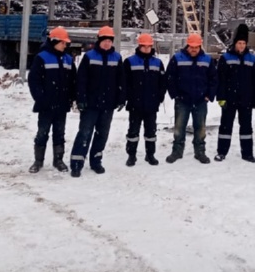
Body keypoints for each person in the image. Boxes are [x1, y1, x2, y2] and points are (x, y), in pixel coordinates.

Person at [69, 26, 125, 177]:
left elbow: (121, 80)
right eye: (104, 40)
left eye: (109, 41)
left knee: (102, 134)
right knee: (84, 133)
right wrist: (81, 99)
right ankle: (76, 163)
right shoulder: (89, 57)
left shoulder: (117, 58)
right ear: (99, 41)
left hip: (108, 104)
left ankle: (96, 161)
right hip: (90, 104)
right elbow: (81, 80)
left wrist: (121, 98)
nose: (107, 43)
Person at [27, 26, 77, 173]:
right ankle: (38, 161)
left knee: (59, 133)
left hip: (62, 105)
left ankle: (58, 160)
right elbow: (34, 80)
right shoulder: (42, 57)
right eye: (63, 42)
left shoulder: (68, 59)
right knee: (42, 133)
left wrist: (72, 97)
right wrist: (41, 99)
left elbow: (73, 81)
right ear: (54, 41)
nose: (65, 45)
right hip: (46, 105)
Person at [165, 32, 218, 164]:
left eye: (196, 47)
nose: (194, 49)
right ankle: (177, 151)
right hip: (182, 100)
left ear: (200, 46)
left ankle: (200, 152)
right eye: (191, 47)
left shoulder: (207, 60)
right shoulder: (177, 58)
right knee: (179, 128)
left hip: (200, 100)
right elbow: (170, 77)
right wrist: (175, 94)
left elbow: (214, 79)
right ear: (187, 45)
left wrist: (209, 95)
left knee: (200, 128)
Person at [214, 24, 255, 163]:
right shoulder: (225, 58)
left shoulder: (252, 59)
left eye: (243, 43)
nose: (241, 46)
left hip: (246, 99)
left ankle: (247, 153)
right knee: (225, 126)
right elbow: (221, 79)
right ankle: (221, 152)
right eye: (239, 43)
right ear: (235, 43)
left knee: (246, 127)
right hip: (229, 98)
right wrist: (221, 97)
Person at [124, 33, 166, 167]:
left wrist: (159, 97)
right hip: (135, 104)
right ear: (139, 46)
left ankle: (150, 154)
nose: (147, 49)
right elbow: (125, 83)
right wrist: (128, 98)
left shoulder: (157, 63)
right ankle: (131, 155)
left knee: (151, 132)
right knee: (133, 131)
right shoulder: (130, 62)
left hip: (151, 104)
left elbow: (162, 82)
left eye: (149, 46)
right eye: (144, 46)